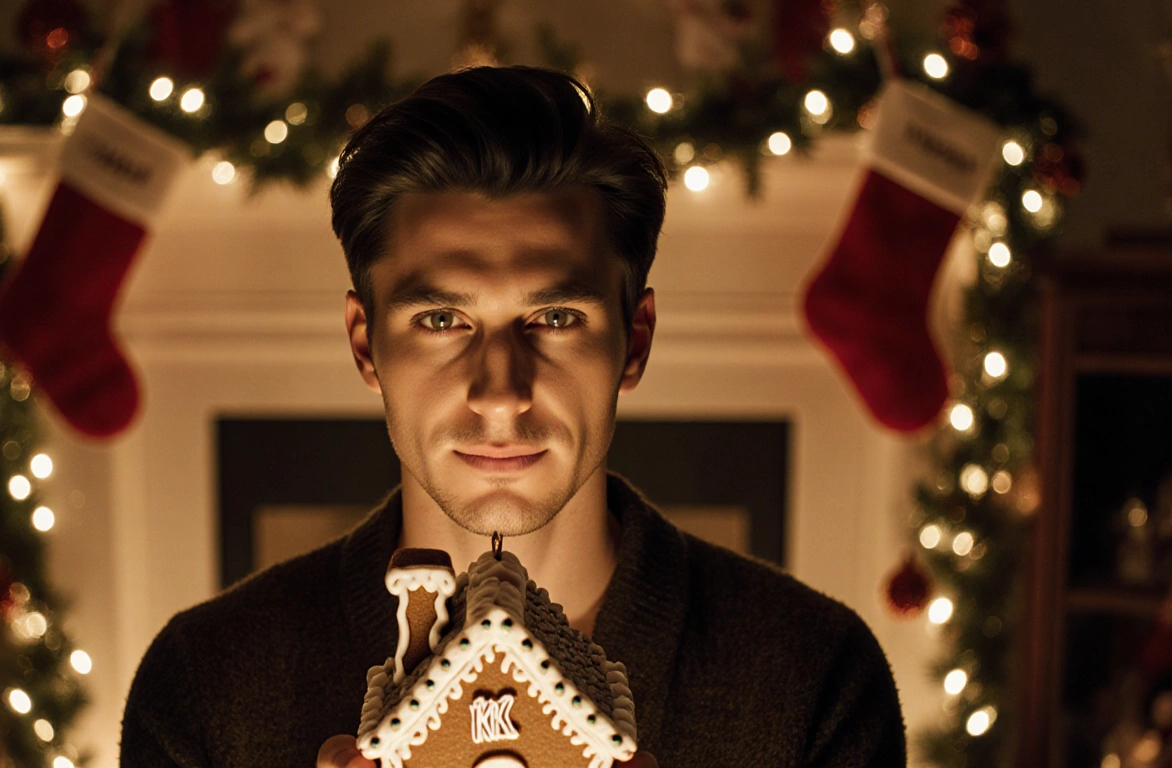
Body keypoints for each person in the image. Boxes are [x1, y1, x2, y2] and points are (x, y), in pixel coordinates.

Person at [119, 65, 906, 767]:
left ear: (634, 342)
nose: (500, 393)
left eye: (556, 318)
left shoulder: (818, 678)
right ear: (367, 347)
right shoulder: (204, 684)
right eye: (441, 321)